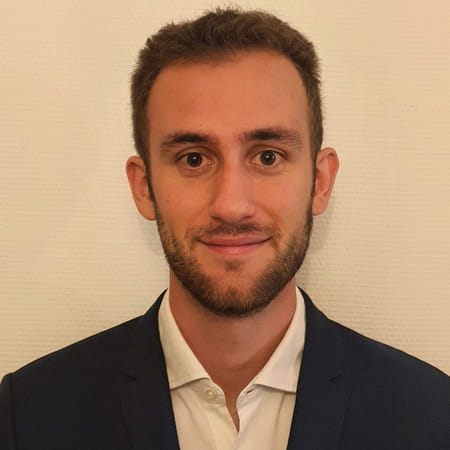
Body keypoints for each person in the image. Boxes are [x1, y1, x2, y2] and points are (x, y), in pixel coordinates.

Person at [0, 7, 448, 450]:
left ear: (320, 182)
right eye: (193, 159)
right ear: (144, 187)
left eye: (268, 156)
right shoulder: (29, 415)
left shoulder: (432, 416)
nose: (232, 206)